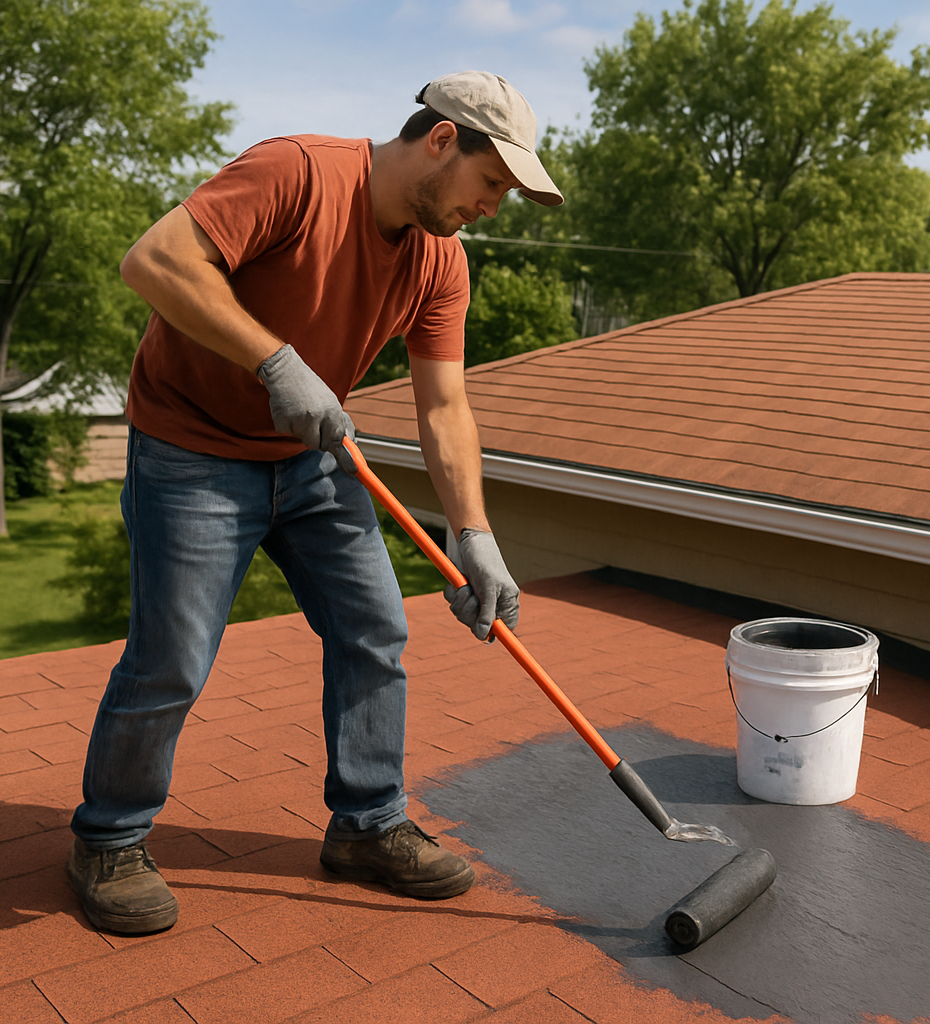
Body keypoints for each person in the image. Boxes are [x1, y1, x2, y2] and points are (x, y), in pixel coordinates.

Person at [65, 71, 563, 935]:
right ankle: (109, 837)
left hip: (315, 461)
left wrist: (473, 532)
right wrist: (273, 360)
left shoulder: (441, 261)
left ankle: (367, 825)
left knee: (376, 628)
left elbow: (444, 407)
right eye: (493, 184)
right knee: (172, 659)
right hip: (191, 451)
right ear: (442, 141)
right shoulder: (295, 173)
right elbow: (153, 261)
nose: (494, 207)